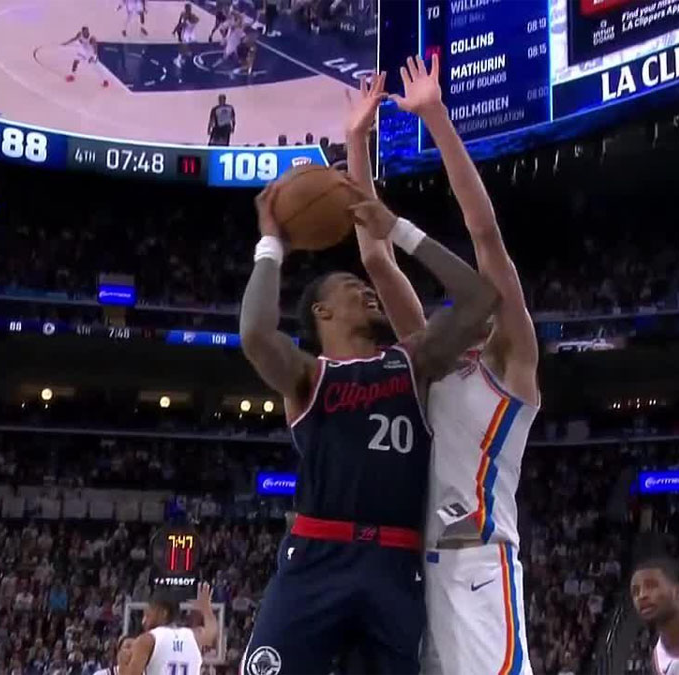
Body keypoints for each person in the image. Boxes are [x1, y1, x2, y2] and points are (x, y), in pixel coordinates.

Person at [237, 162, 500, 671]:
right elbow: (254, 333)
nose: (367, 290)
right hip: (317, 554)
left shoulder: (412, 361)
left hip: (395, 562)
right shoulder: (308, 376)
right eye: (349, 286)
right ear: (322, 312)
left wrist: (396, 228)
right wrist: (272, 244)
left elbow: (478, 300)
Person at [344, 55, 540, 675]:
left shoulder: (511, 362)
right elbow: (376, 258)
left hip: (480, 565)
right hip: (419, 573)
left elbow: (486, 235)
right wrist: (356, 141)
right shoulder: (429, 359)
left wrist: (436, 118)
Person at [122, 582, 218, 675]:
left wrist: (122, 663)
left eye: (148, 615)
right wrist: (207, 609)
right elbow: (211, 632)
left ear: (163, 613)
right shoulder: (194, 636)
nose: (143, 621)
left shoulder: (148, 640)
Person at [172, 4, 198, 69]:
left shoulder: (193, 16)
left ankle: (185, 53)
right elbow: (179, 24)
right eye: (188, 8)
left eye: (190, 8)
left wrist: (191, 20)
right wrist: (174, 31)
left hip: (191, 33)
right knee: (184, 46)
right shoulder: (183, 16)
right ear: (186, 8)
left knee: (193, 44)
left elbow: (197, 20)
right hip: (185, 33)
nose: (189, 10)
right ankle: (178, 59)